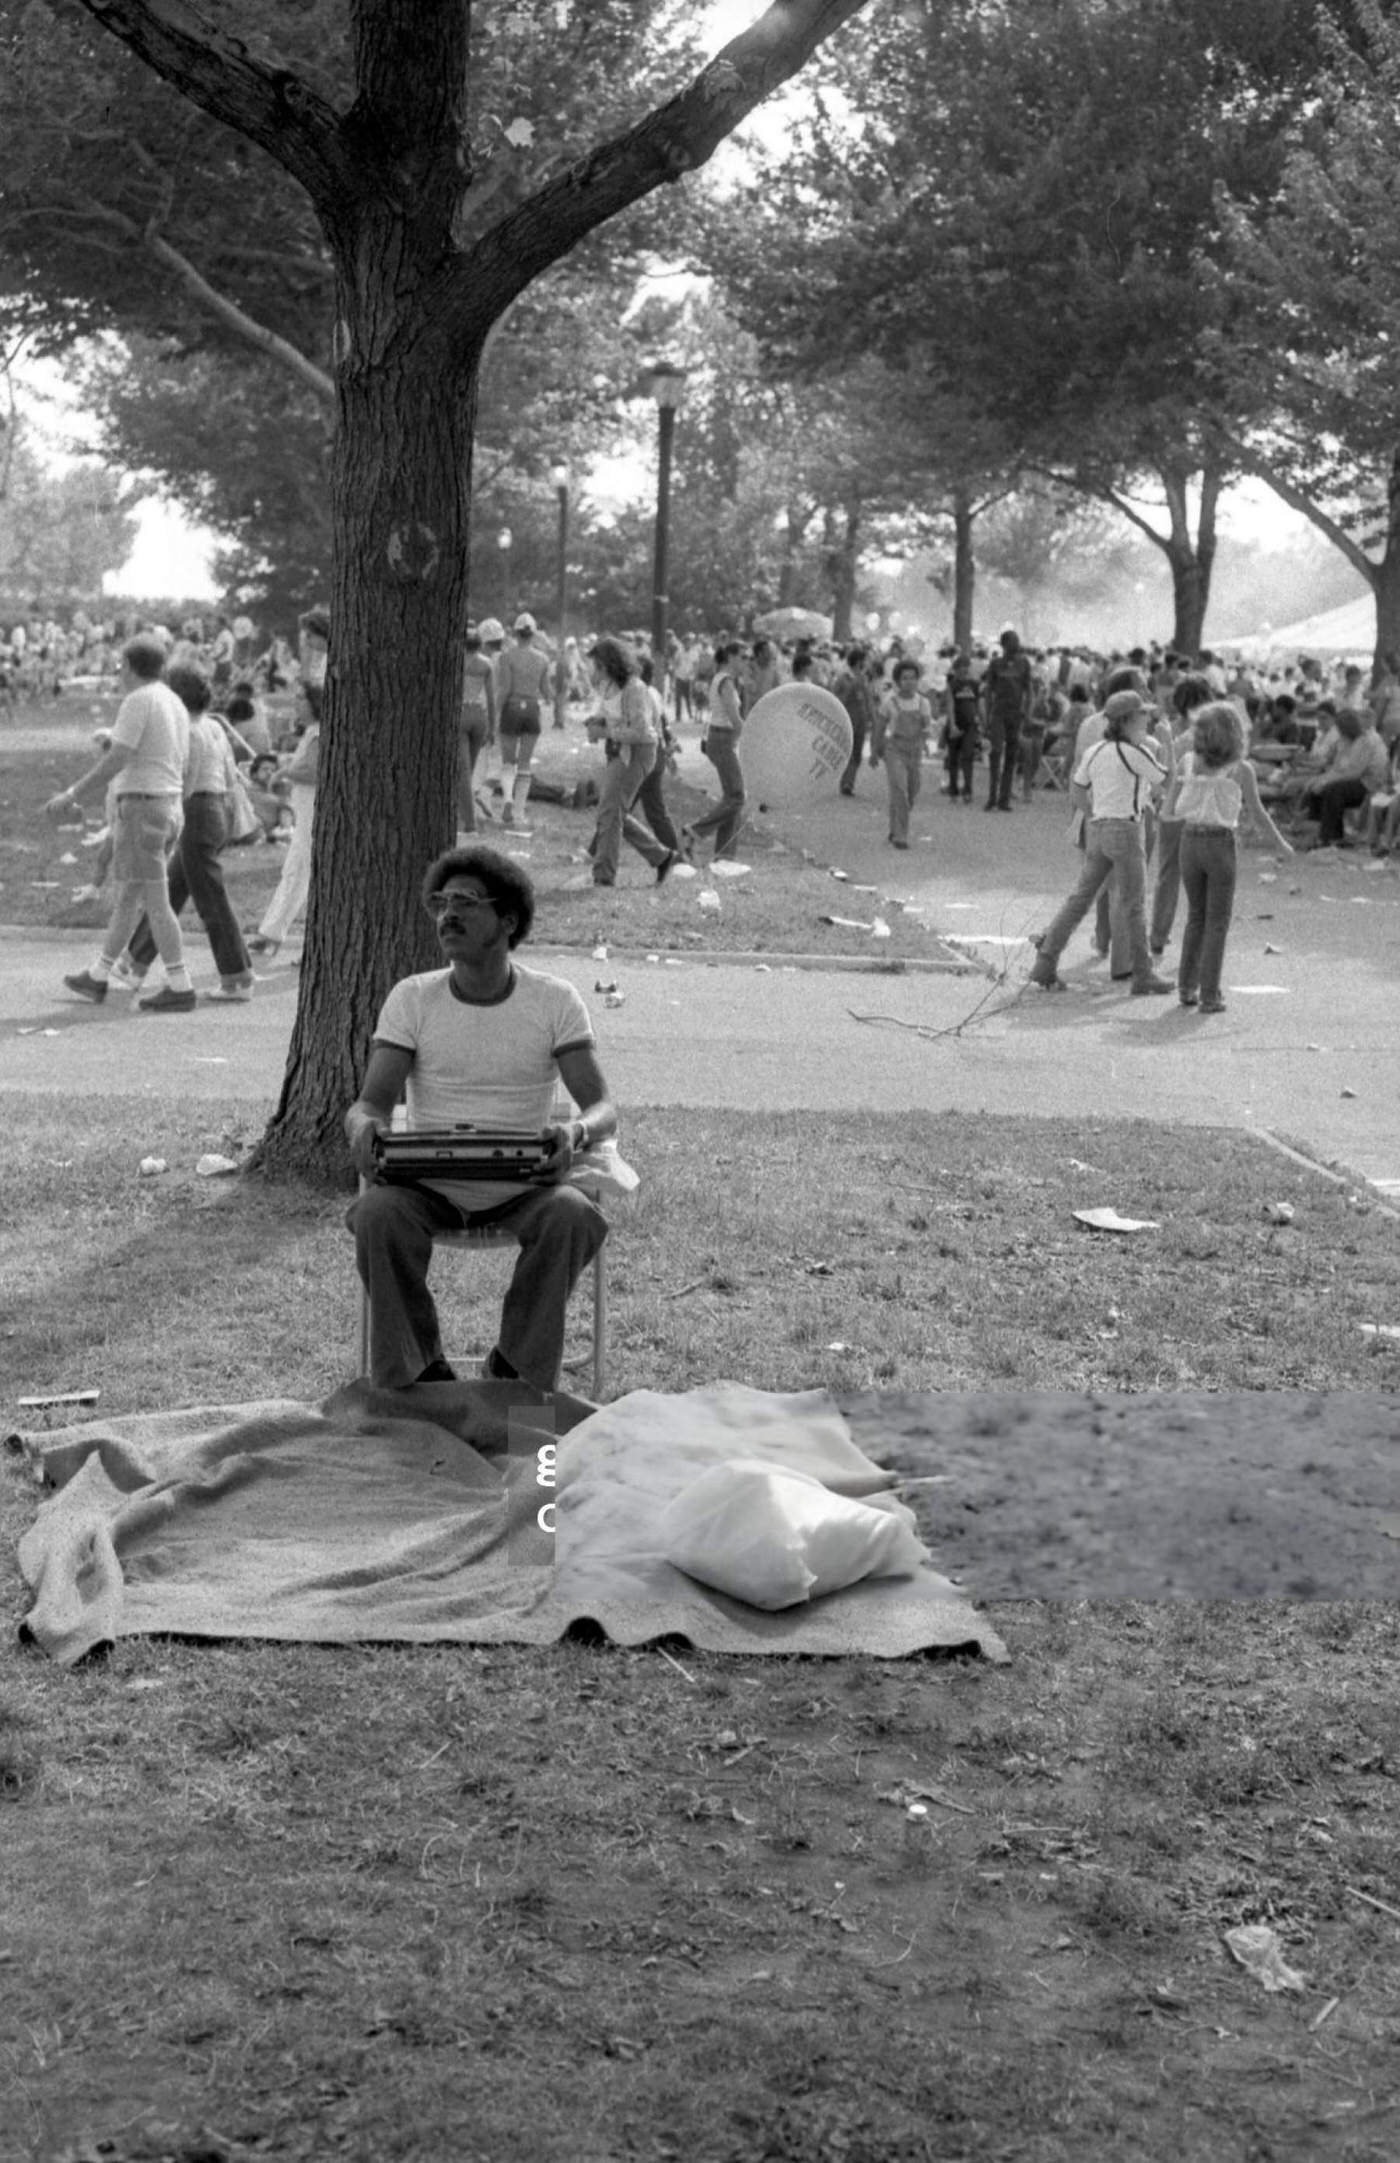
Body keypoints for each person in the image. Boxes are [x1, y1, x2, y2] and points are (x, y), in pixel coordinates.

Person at [345, 845, 615, 1392]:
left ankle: (519, 1383)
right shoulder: (412, 998)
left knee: (572, 1214)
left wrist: (575, 1132)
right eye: (440, 902)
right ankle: (419, 1382)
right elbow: (371, 1104)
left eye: (466, 902)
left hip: (525, 1189)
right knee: (377, 1213)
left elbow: (602, 1108)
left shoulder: (554, 1000)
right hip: (427, 1189)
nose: (448, 914)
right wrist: (362, 1129)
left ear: (508, 920)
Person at [45, 634, 197, 1013]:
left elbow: (119, 756)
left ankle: (180, 984)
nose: (117, 674)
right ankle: (98, 975)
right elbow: (184, 759)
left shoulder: (138, 700)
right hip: (167, 805)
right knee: (130, 895)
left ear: (129, 667)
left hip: (144, 807)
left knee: (156, 903)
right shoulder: (173, 701)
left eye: (118, 667)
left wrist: (73, 793)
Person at [122, 665, 256, 1001]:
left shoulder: (187, 731)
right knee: (171, 891)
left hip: (197, 811)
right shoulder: (214, 727)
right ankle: (133, 963)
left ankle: (236, 977)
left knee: (211, 901)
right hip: (218, 810)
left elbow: (188, 779)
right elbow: (230, 774)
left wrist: (172, 815)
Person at [1029, 690, 1174, 996]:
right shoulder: (1135, 752)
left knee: (1080, 898)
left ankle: (1046, 960)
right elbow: (1165, 781)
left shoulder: (1096, 751)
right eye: (1142, 715)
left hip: (1099, 829)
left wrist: (1096, 813)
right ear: (1127, 721)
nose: (1147, 720)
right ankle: (1143, 972)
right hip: (1127, 829)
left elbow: (1078, 789)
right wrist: (1169, 746)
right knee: (1134, 904)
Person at [1161, 701, 1293, 1015]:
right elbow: (1259, 815)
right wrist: (1281, 844)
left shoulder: (1187, 761)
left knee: (1196, 916)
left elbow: (1169, 810)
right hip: (1220, 844)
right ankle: (1210, 994)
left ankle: (1187, 987)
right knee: (1217, 922)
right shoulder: (1241, 769)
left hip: (1189, 841)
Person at [585, 637, 677, 886]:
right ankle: (661, 857)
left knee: (610, 811)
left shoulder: (635, 688)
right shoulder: (609, 686)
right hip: (620, 751)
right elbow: (611, 717)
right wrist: (597, 723)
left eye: (598, 665)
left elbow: (642, 731)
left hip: (639, 752)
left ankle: (603, 876)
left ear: (610, 663)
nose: (596, 671)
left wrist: (605, 732)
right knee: (614, 811)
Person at [247, 681, 320, 957]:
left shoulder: (318, 734)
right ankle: (271, 933)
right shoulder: (310, 733)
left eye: (302, 698)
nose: (296, 702)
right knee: (294, 873)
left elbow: (314, 771)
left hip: (312, 813)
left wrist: (286, 772)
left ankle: (276, 935)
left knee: (300, 873)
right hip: (304, 811)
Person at [683, 639, 747, 863]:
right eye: (742, 657)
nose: (745, 662)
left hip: (720, 739)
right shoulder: (726, 682)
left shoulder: (720, 679)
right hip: (721, 739)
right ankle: (694, 831)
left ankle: (725, 857)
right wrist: (751, 737)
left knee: (732, 799)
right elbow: (734, 718)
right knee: (737, 797)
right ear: (730, 657)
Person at [1293, 707, 1390, 847]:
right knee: (1316, 789)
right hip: (1352, 781)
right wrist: (1320, 779)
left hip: (1368, 783)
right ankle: (1321, 833)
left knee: (1333, 790)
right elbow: (1337, 768)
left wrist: (1327, 780)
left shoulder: (1367, 741)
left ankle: (1325, 838)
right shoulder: (1345, 742)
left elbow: (1355, 772)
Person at [494, 612, 554, 829]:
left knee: (508, 762)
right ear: (534, 634)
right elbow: (547, 691)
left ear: (516, 633)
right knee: (525, 764)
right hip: (531, 709)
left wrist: (495, 713)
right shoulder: (543, 659)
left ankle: (507, 800)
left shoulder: (507, 657)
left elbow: (505, 689)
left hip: (512, 707)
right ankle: (519, 813)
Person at [871, 658, 933, 848]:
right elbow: (879, 728)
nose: (909, 682)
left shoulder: (923, 703)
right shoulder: (889, 703)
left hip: (914, 752)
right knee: (899, 789)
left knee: (912, 791)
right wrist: (875, 751)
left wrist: (925, 743)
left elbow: (926, 727)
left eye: (913, 678)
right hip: (894, 750)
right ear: (898, 681)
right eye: (905, 678)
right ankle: (901, 836)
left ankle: (894, 825)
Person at [981, 627, 1033, 811]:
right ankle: (992, 796)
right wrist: (987, 716)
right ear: (1004, 645)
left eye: (1017, 641)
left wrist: (1028, 711)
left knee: (1011, 755)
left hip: (1015, 714)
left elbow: (1029, 690)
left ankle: (1004, 799)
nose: (1016, 645)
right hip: (998, 713)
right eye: (1012, 641)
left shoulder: (1024, 663)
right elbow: (988, 691)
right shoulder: (995, 664)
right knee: (995, 752)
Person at [457, 629, 496, 835]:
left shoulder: (458, 661)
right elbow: (490, 698)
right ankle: (462, 816)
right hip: (479, 715)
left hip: (462, 713)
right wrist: (493, 727)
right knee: (468, 770)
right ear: (480, 645)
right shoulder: (486, 664)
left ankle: (469, 823)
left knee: (462, 772)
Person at [834, 644, 877, 796]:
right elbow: (836, 699)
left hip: (861, 720)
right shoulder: (843, 678)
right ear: (858, 661)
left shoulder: (864, 679)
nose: (865, 664)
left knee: (857, 752)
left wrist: (873, 718)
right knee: (848, 752)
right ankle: (845, 782)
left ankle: (850, 782)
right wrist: (851, 687)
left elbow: (869, 700)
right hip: (847, 719)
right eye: (863, 661)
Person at [943, 652, 980, 801]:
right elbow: (950, 706)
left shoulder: (974, 685)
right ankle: (953, 790)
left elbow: (977, 704)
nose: (964, 669)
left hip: (970, 726)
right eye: (961, 666)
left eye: (966, 666)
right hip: (955, 725)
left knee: (968, 755)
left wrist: (980, 723)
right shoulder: (952, 685)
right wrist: (952, 725)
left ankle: (968, 790)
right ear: (956, 669)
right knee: (953, 758)